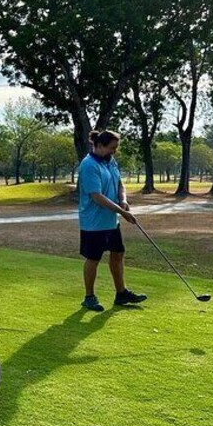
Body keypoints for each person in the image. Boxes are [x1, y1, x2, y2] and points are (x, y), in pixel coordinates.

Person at [78, 130, 148, 312]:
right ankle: (89, 297)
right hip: (93, 223)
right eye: (112, 148)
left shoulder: (110, 161)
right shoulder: (88, 165)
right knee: (93, 258)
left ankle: (121, 293)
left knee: (118, 253)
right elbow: (96, 196)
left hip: (111, 221)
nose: (114, 151)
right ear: (100, 145)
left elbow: (119, 184)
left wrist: (123, 200)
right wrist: (121, 212)